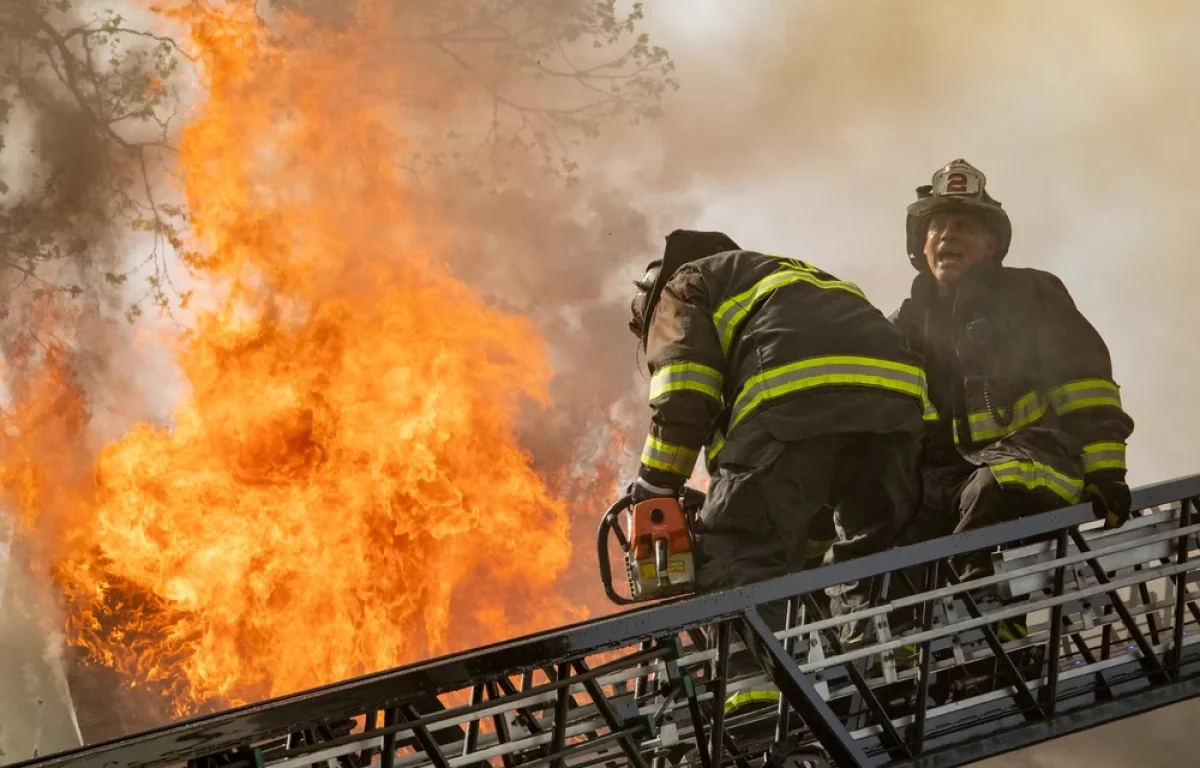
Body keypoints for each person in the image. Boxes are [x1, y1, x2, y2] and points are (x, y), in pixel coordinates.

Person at [626, 229, 930, 660]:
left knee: (738, 549)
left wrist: (655, 488)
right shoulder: (795, 277)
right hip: (896, 406)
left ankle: (751, 697)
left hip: (793, 398)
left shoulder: (683, 286)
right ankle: (889, 663)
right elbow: (795, 479)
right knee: (870, 548)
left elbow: (685, 394)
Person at [890, 159, 1136, 585]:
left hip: (1033, 462)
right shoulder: (902, 325)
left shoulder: (1030, 295)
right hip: (945, 479)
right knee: (889, 514)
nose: (947, 234)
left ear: (991, 244)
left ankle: (986, 611)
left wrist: (1106, 472)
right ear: (922, 244)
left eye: (963, 225)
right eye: (937, 227)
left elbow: (1085, 385)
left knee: (992, 487)